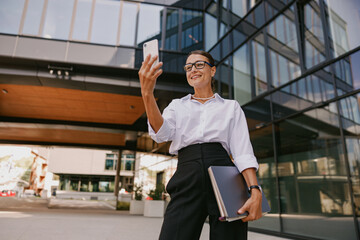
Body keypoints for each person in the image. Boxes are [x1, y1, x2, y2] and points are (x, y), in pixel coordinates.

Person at [138, 50, 263, 240]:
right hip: (188, 174)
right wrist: (147, 93)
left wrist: (255, 190)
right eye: (188, 67)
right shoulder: (177, 105)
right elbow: (161, 134)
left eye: (199, 64)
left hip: (226, 176)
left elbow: (243, 152)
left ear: (212, 71)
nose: (192, 70)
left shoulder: (230, 107)